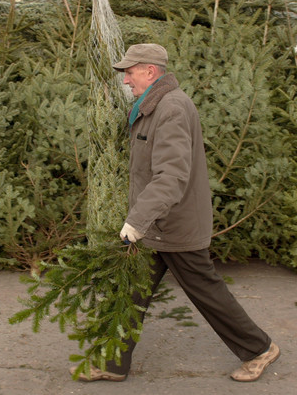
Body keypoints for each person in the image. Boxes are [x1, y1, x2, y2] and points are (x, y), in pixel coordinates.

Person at [71, 43, 279, 383]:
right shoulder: (151, 106)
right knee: (131, 291)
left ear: (150, 71)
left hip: (175, 226)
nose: (125, 80)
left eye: (130, 72)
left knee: (207, 293)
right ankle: (112, 362)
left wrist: (136, 221)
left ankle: (260, 349)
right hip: (155, 225)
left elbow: (172, 176)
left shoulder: (172, 108)